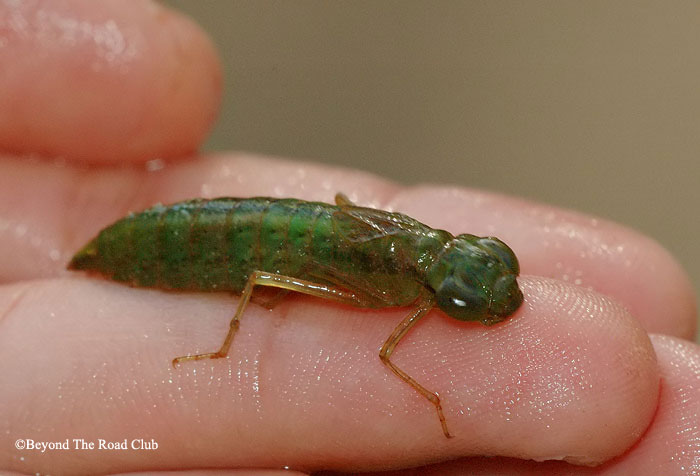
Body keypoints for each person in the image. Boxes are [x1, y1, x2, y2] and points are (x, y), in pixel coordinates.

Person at [0, 1, 697, 475]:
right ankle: (208, 335)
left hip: (265, 228)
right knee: (256, 274)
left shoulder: (417, 262)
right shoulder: (405, 297)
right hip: (206, 239)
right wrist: (431, 404)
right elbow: (377, 348)